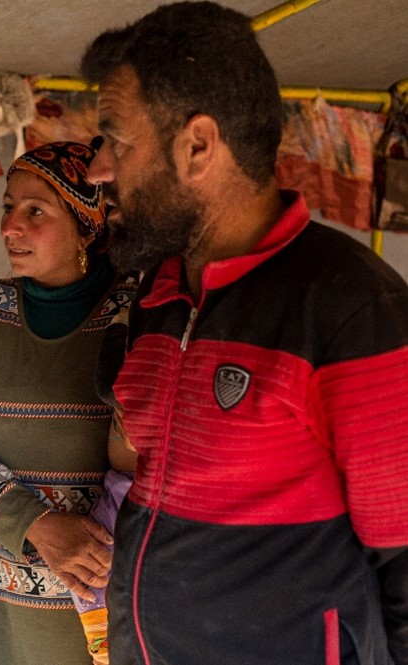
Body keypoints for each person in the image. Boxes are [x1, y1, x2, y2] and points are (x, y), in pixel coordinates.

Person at [80, 2, 408, 663]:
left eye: (116, 139)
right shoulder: (156, 297)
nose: (98, 169)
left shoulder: (349, 307)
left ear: (197, 145)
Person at [0, 140, 137, 665]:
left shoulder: (136, 312)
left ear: (87, 225)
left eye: (35, 211)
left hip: (124, 600)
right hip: (16, 614)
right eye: (7, 207)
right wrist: (39, 527)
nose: (9, 227)